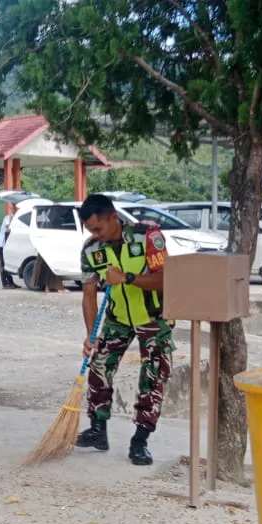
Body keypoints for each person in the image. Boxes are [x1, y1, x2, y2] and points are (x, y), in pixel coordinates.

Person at [74, 194, 172, 466]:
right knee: (99, 366)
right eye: (91, 230)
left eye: (98, 228)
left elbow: (167, 279)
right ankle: (98, 430)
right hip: (117, 318)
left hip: (153, 318)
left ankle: (140, 440)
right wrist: (91, 335)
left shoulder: (147, 236)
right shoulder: (92, 249)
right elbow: (89, 295)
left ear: (113, 218)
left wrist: (127, 278)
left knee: (153, 377)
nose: (96, 235)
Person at [0, 207, 19, 289]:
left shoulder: (13, 218)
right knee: (3, 265)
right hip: (2, 245)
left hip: (7, 245)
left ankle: (11, 282)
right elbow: (7, 228)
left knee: (8, 264)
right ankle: (5, 284)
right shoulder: (8, 218)